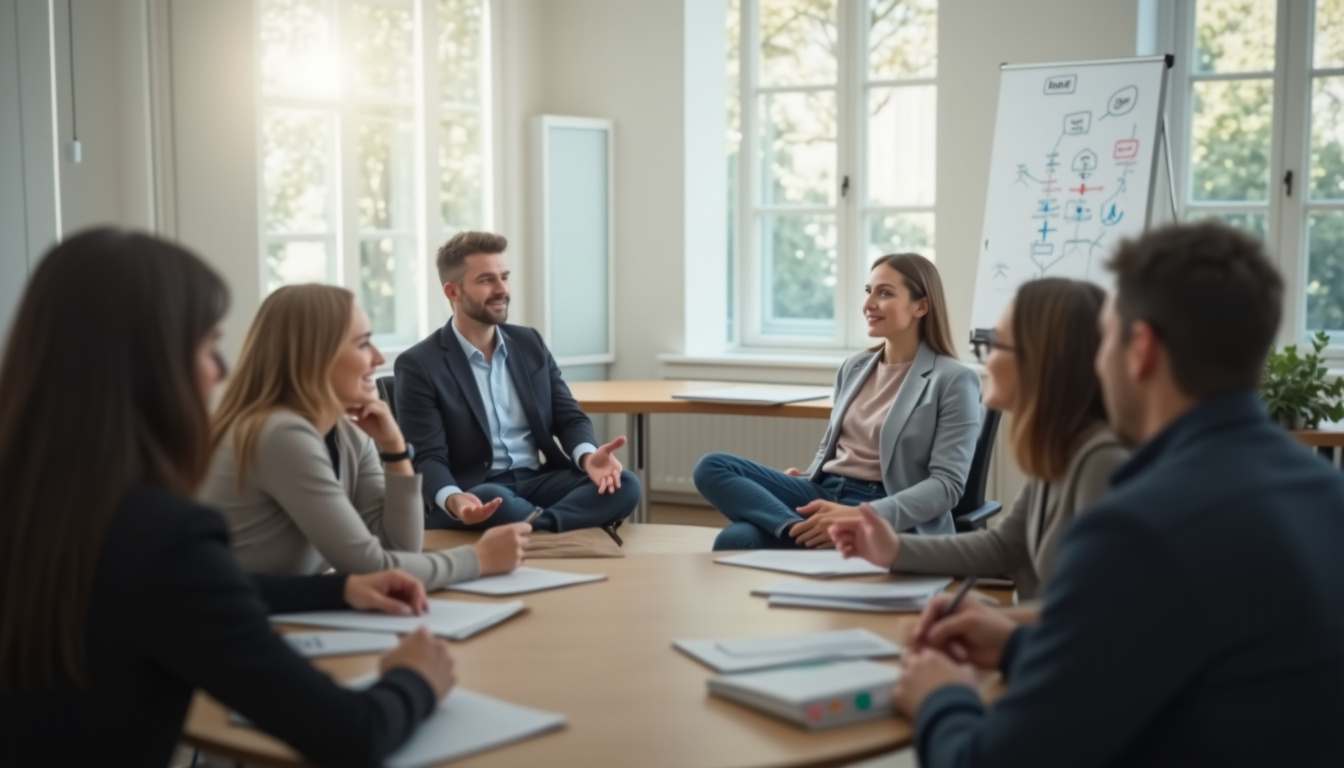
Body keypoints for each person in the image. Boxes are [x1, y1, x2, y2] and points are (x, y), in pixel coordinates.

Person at [891, 222, 1344, 767]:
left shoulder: (1139, 527)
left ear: (1141, 350)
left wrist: (941, 695)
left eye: (1104, 340)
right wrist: (1013, 645)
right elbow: (1176, 657)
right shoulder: (1324, 490)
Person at [0, 229, 456, 767]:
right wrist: (414, 678)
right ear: (151, 362)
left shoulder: (44, 505)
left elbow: (208, 590)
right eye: (208, 344)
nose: (221, 369)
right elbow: (350, 733)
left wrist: (342, 591)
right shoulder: (159, 534)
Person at [202, 284, 528, 590]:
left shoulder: (348, 431)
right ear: (315, 357)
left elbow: (399, 549)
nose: (379, 358)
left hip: (283, 615)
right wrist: (479, 559)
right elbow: (371, 567)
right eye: (362, 344)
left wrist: (395, 450)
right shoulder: (280, 434)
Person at [831, 278, 1129, 599]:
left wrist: (1004, 633)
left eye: (996, 344)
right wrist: (893, 549)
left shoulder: (1101, 461)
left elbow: (1092, 612)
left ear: (1044, 358)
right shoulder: (1059, 451)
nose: (986, 359)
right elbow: (1005, 547)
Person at [694, 253, 981, 551]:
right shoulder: (854, 367)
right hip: (824, 490)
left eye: (885, 293)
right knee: (712, 466)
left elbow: (947, 486)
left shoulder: (953, 379)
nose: (869, 304)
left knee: (736, 539)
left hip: (882, 506)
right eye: (869, 291)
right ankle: (808, 531)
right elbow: (834, 447)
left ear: (921, 306)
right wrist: (804, 476)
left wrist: (859, 516)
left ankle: (833, 534)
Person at [395, 231, 640, 531]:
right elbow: (427, 457)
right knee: (492, 499)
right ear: (452, 292)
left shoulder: (529, 343)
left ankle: (534, 527)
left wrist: (589, 458)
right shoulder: (419, 364)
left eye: (504, 277)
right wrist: (455, 500)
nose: (502, 289)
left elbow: (569, 418)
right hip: (477, 488)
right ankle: (556, 525)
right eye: (487, 280)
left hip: (539, 480)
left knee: (624, 483)